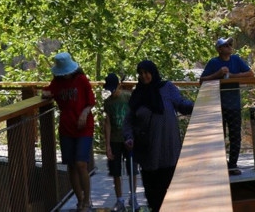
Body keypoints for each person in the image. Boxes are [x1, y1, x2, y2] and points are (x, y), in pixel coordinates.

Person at [123, 60, 193, 212]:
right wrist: (129, 137)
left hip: (168, 148)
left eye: (146, 72)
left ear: (153, 72)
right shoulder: (137, 94)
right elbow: (128, 121)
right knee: (153, 194)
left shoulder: (167, 88)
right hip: (148, 151)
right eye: (140, 73)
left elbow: (181, 105)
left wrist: (197, 106)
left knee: (171, 191)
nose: (143, 76)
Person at [42, 52, 96, 212]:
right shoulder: (57, 83)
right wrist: (45, 94)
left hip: (84, 127)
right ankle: (79, 200)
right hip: (66, 128)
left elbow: (91, 101)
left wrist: (85, 113)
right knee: (71, 165)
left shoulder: (81, 80)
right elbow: (47, 91)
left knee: (81, 163)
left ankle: (87, 200)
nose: (65, 75)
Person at [200, 36, 254, 175]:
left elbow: (251, 74)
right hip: (217, 106)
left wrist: (233, 76)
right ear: (219, 49)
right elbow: (202, 80)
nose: (229, 46)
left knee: (236, 136)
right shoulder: (213, 62)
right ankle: (220, 165)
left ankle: (233, 165)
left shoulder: (236, 59)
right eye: (226, 45)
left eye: (230, 44)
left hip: (234, 105)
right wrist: (218, 74)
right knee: (219, 138)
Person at [103, 72, 139, 212]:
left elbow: (135, 117)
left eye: (114, 88)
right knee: (116, 171)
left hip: (128, 138)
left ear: (119, 85)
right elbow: (107, 124)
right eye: (109, 89)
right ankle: (119, 200)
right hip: (115, 140)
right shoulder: (108, 103)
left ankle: (133, 196)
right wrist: (107, 146)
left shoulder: (128, 97)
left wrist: (135, 136)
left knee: (132, 170)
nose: (112, 91)